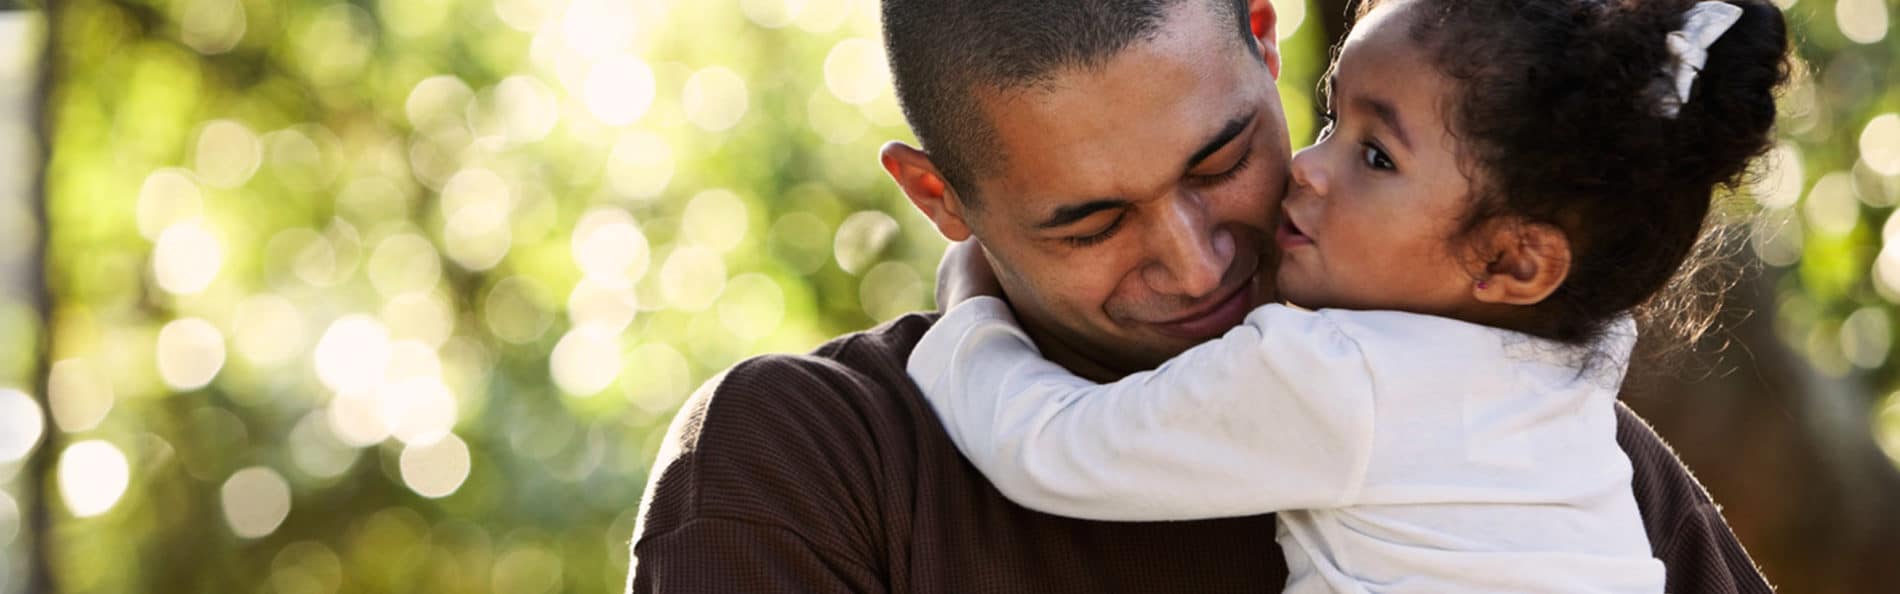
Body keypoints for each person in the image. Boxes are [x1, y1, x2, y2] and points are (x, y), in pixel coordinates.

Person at [626, 1, 1773, 592]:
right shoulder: (810, 466)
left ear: (1265, 42)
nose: (1196, 262)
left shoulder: (1570, 468)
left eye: (1221, 161)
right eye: (1091, 220)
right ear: (941, 198)